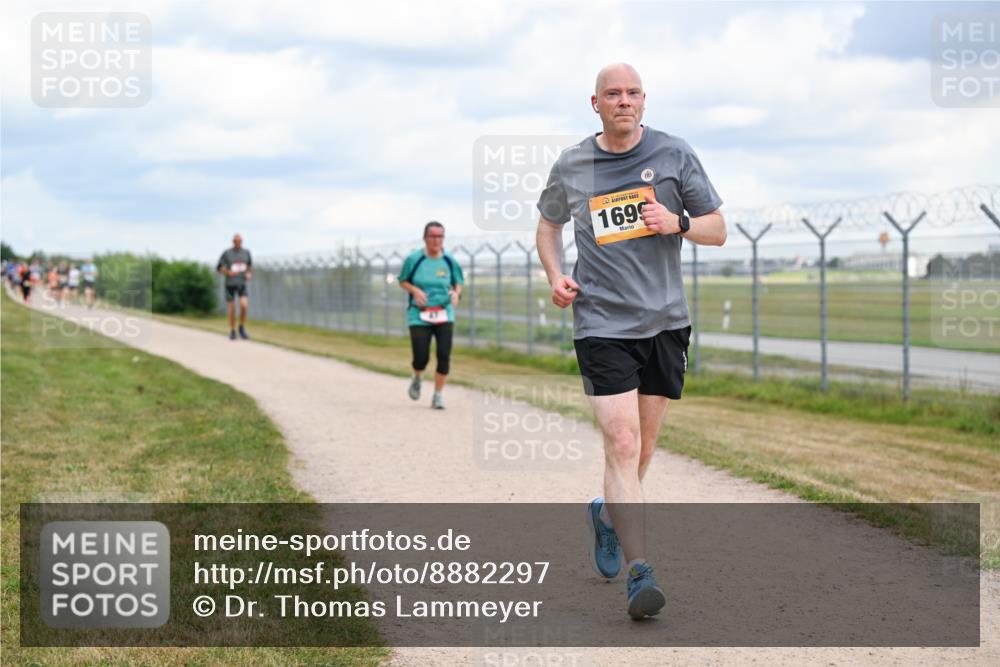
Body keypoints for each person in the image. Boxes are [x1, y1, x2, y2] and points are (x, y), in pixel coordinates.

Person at [535, 63, 726, 620]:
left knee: (640, 451)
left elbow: (717, 228)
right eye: (613, 93)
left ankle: (606, 514)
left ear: (645, 101)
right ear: (595, 103)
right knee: (621, 443)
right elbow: (548, 226)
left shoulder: (674, 154)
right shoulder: (572, 164)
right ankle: (641, 570)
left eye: (633, 92)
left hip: (665, 323)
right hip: (601, 325)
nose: (624, 100)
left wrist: (678, 222)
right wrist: (555, 275)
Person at [398, 221, 464, 409]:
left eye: (440, 236)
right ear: (425, 238)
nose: (436, 240)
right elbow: (402, 280)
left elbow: (458, 282)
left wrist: (456, 293)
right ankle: (417, 376)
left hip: (444, 312)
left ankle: (438, 395)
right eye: (433, 236)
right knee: (421, 357)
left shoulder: (449, 261)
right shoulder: (414, 259)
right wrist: (415, 290)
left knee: (444, 355)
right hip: (419, 314)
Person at [217, 234, 253, 340]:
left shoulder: (246, 252)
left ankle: (241, 327)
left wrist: (249, 273)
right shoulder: (227, 253)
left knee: (244, 305)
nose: (238, 243)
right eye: (236, 241)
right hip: (230, 284)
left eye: (240, 241)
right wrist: (228, 272)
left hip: (241, 283)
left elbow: (249, 265)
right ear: (233, 242)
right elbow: (219, 267)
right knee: (232, 308)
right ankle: (232, 330)